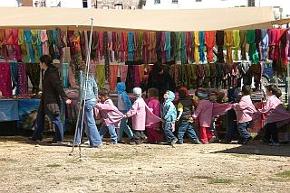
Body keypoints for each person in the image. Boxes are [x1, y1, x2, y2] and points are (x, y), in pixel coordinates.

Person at [30, 55, 72, 143]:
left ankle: (59, 139)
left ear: (43, 63)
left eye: (40, 63)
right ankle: (37, 136)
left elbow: (58, 86)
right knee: (39, 118)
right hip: (45, 99)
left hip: (51, 100)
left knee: (56, 119)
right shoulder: (47, 71)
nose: (39, 64)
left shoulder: (51, 73)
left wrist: (65, 98)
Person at [74, 71, 102, 148]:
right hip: (91, 99)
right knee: (82, 121)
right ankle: (77, 140)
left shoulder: (80, 75)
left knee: (89, 121)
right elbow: (95, 87)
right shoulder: (90, 75)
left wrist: (79, 101)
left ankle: (96, 141)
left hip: (86, 99)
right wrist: (96, 97)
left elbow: (81, 89)